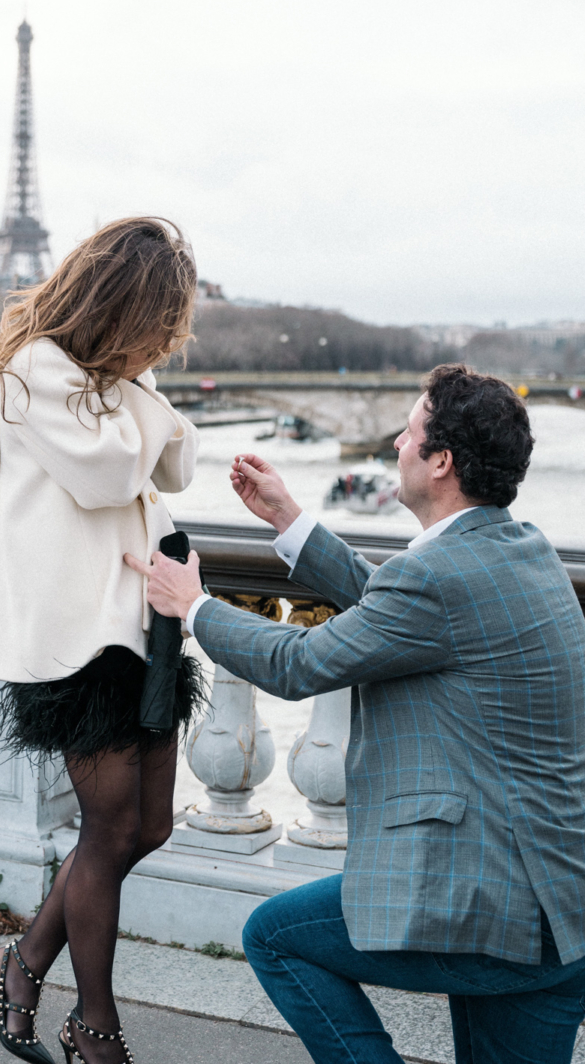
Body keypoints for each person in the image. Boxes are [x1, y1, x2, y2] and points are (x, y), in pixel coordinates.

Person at [126, 364, 585, 1064]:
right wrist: (293, 523)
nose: (396, 440)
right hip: (561, 908)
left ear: (441, 461)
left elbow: (300, 663)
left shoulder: (437, 577)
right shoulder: (522, 550)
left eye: (410, 428)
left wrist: (194, 606)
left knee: (275, 937)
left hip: (494, 905)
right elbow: (396, 611)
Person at [0, 217, 203, 1064]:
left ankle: (21, 961)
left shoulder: (107, 382)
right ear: (119, 310)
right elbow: (111, 475)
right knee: (108, 832)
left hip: (145, 624)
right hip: (78, 637)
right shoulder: (34, 370)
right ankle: (93, 1023)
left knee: (150, 828)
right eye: (155, 330)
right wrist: (140, 402)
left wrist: (131, 391)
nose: (160, 348)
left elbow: (180, 462)